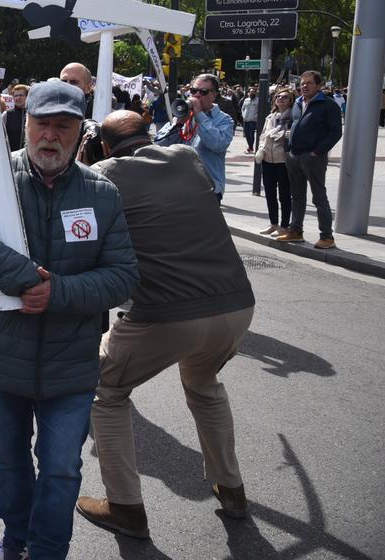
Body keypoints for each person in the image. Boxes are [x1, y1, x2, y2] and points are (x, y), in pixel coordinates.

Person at [0, 80, 139, 560]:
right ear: (25, 124)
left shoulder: (102, 192)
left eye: (62, 126)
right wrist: (29, 278)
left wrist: (58, 294)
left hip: (71, 366)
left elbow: (123, 278)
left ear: (79, 133)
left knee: (60, 470)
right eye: (41, 124)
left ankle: (49, 550)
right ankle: (15, 540)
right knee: (9, 463)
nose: (50, 136)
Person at [76, 111, 256, 539]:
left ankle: (125, 507)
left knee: (106, 390)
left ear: (103, 145)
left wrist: (87, 162)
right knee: (203, 384)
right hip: (235, 306)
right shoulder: (184, 158)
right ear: (148, 134)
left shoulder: (102, 174)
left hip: (167, 313)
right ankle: (231, 488)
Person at [278, 70, 343, 249]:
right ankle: (296, 230)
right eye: (302, 83)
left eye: (309, 83)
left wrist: (317, 151)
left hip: (313, 157)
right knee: (297, 196)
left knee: (319, 197)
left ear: (319, 86)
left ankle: (327, 236)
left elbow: (335, 132)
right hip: (294, 155)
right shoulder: (298, 103)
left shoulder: (328, 105)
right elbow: (292, 126)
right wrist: (288, 149)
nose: (304, 86)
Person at [155, 73, 233, 199]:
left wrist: (199, 115)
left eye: (203, 92)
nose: (196, 95)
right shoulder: (184, 115)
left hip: (207, 189)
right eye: (193, 90)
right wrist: (177, 124)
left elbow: (218, 144)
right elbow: (159, 145)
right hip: (178, 187)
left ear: (214, 95)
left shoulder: (224, 120)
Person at [254, 88, 293, 236]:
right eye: (278, 96)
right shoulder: (270, 117)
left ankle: (284, 226)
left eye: (285, 97)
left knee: (284, 195)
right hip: (267, 159)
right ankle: (274, 223)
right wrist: (260, 149)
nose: (281, 99)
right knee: (270, 193)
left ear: (290, 101)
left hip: (283, 160)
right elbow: (263, 136)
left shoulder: (292, 117)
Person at [59, 62, 104, 164]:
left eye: (74, 82)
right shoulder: (45, 109)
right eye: (64, 81)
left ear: (88, 88)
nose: (67, 86)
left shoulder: (99, 111)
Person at [4, 84, 28, 152]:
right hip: (11, 156)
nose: (18, 98)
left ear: (27, 96)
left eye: (21, 95)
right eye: (15, 96)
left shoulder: (33, 114)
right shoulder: (7, 114)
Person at [240, 88, 259, 153]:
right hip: (246, 119)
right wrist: (243, 115)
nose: (251, 93)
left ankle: (250, 147)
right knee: (246, 133)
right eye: (250, 92)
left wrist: (255, 116)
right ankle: (250, 146)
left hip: (252, 120)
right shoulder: (246, 100)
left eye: (253, 92)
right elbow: (243, 108)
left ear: (255, 92)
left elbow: (259, 110)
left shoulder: (257, 100)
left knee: (251, 134)